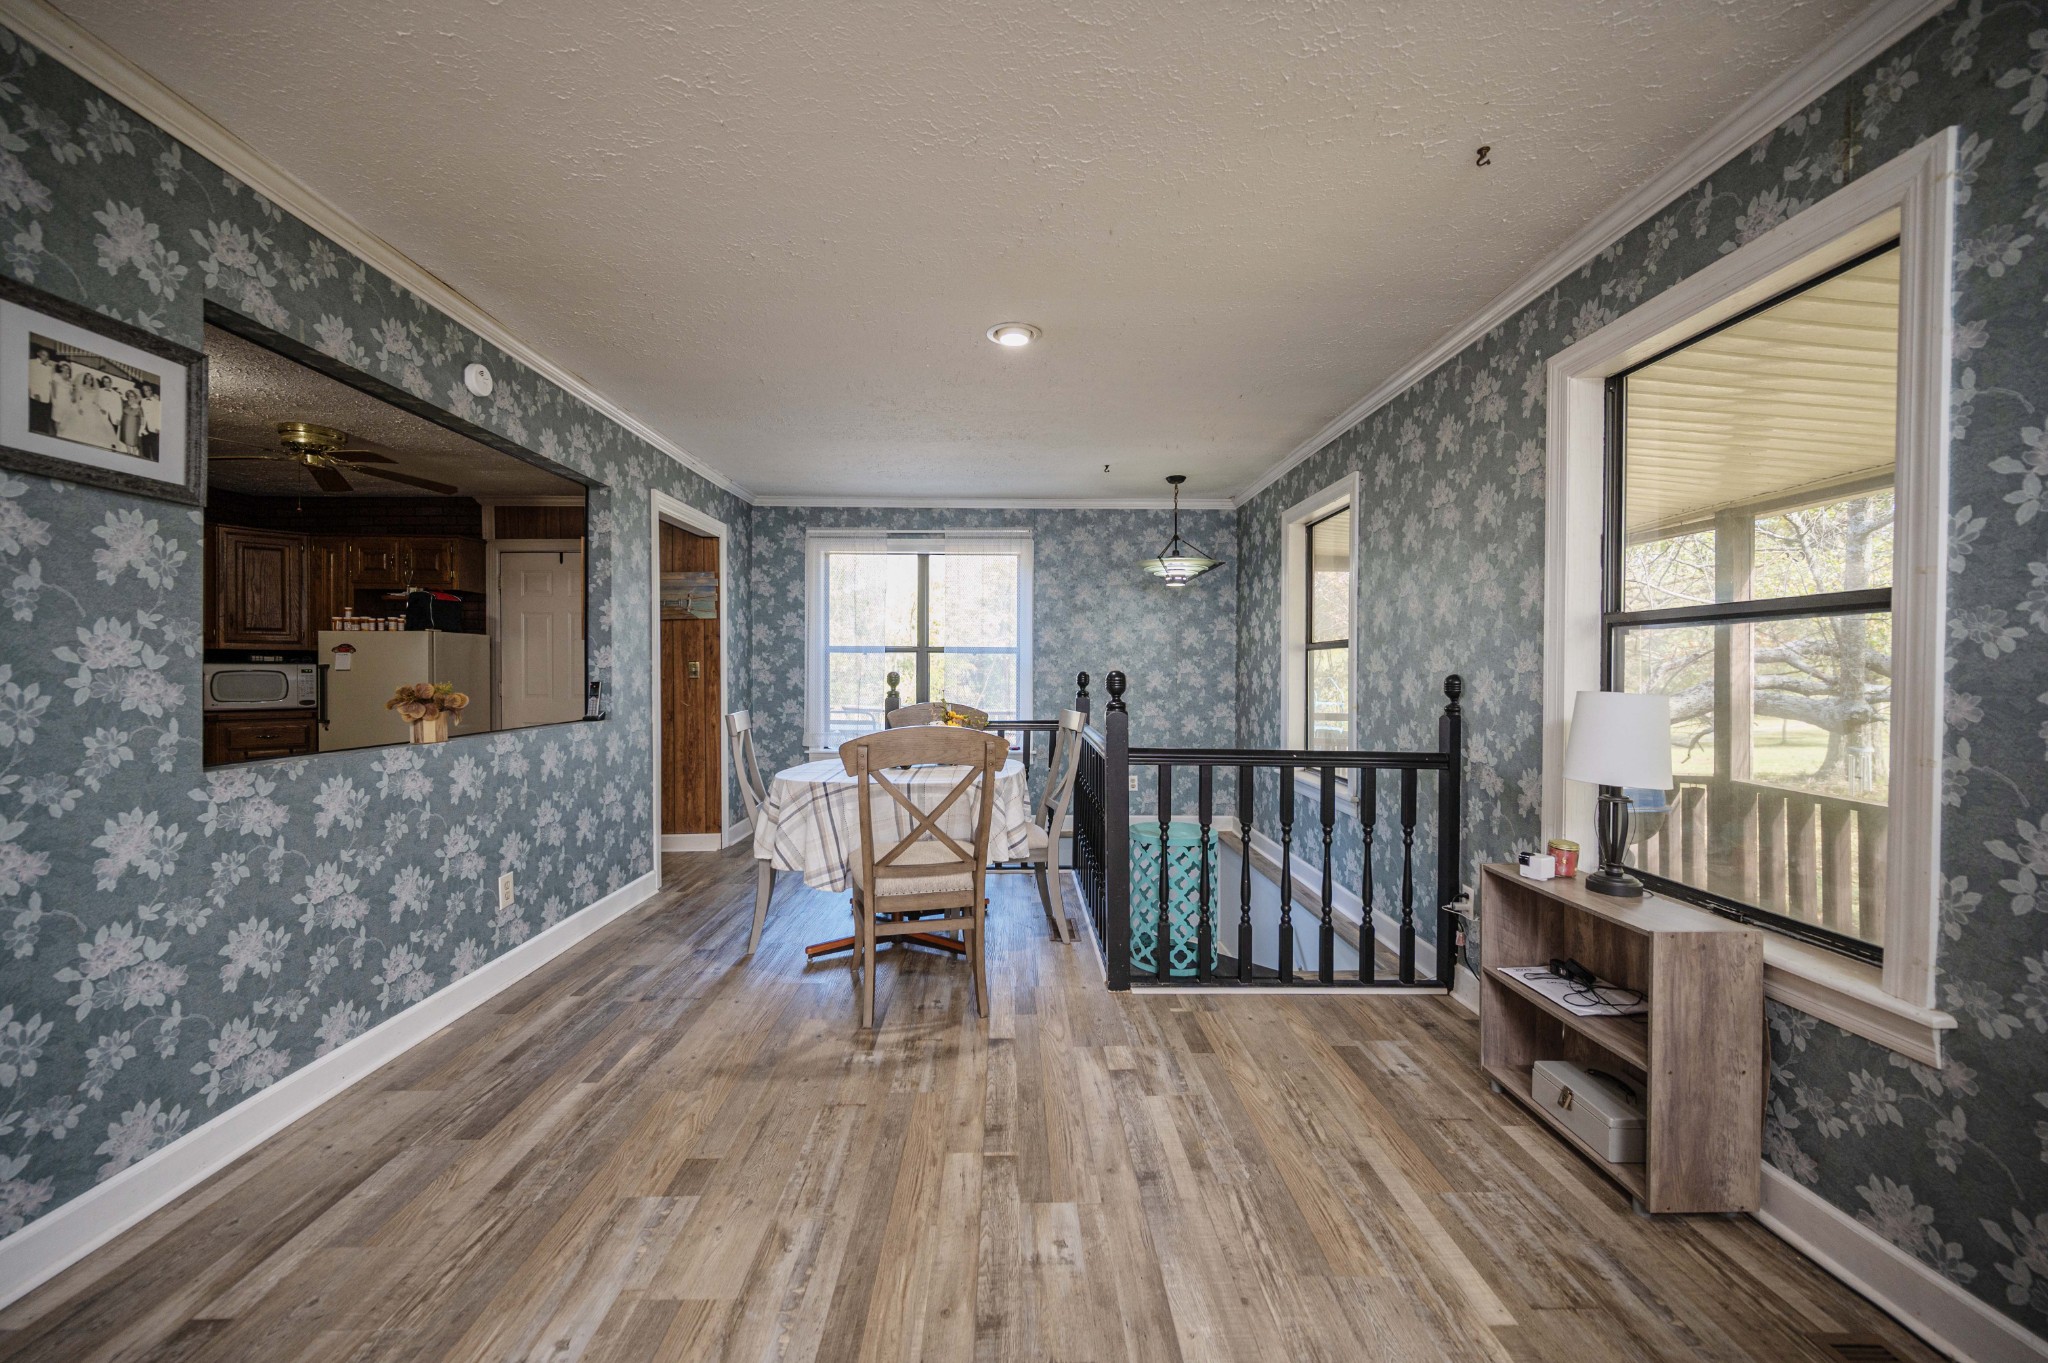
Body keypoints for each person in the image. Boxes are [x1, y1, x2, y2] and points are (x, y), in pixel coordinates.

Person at [27, 346, 54, 436]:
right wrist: (34, 393)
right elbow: (30, 379)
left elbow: (49, 382)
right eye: (43, 355)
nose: (45, 357)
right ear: (38, 354)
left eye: (47, 356)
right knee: (34, 418)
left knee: (43, 420)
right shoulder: (31, 363)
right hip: (36, 395)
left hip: (46, 397)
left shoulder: (49, 367)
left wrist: (50, 396)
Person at [118, 381, 143, 455]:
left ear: (135, 397)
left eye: (132, 396)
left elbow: (142, 418)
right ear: (127, 396)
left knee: (134, 440)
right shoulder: (124, 403)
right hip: (125, 424)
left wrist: (141, 428)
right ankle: (129, 453)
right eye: (129, 396)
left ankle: (134, 454)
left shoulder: (139, 407)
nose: (131, 397)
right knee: (126, 438)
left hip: (135, 425)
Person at [138, 382, 160, 463]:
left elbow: (159, 414)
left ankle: (156, 461)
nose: (146, 392)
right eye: (144, 391)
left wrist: (158, 426)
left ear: (151, 391)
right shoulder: (142, 401)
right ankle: (146, 461)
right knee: (145, 445)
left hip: (154, 426)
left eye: (148, 390)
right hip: (144, 426)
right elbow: (142, 413)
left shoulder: (157, 401)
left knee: (154, 446)